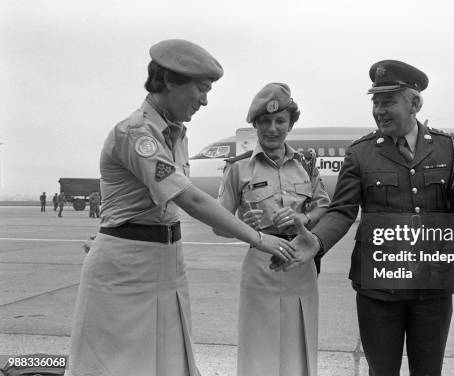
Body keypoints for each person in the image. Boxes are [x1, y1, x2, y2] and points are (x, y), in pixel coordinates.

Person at [66, 40, 296, 376]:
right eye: (201, 89)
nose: (205, 100)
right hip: (127, 270)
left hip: (165, 263)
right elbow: (190, 199)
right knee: (116, 367)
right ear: (170, 82)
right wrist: (259, 238)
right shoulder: (138, 133)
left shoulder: (175, 133)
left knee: (169, 366)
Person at [276, 60, 454, 376]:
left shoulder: (446, 148)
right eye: (375, 102)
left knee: (429, 370)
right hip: (378, 288)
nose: (379, 110)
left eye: (388, 102)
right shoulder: (361, 152)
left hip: (432, 287)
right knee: (381, 371)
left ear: (414, 103)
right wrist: (317, 240)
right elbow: (342, 210)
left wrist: (447, 255)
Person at [214, 83, 330, 376]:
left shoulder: (306, 163)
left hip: (300, 263)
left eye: (280, 121)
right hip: (260, 263)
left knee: (299, 341)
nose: (273, 128)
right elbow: (219, 224)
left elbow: (324, 207)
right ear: (255, 125)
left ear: (291, 124)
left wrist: (303, 220)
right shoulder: (238, 169)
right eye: (265, 121)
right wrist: (243, 228)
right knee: (259, 344)